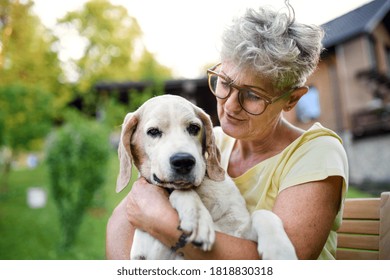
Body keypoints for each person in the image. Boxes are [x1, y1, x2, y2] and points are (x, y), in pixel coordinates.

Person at [106, 4, 348, 260]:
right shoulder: (205, 143)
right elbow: (126, 216)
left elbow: (284, 266)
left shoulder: (316, 153)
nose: (230, 105)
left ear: (291, 100)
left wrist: (164, 223)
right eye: (224, 82)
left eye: (253, 95)